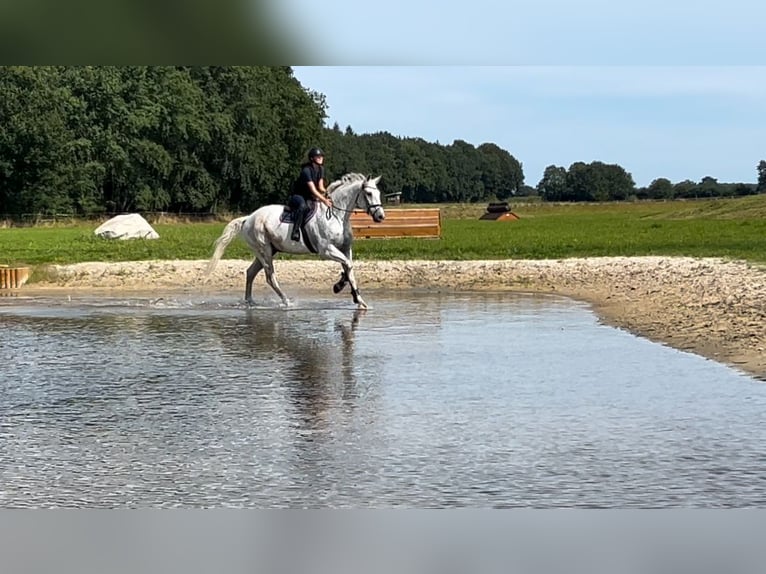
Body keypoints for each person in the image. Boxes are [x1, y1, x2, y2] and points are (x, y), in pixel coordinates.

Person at [288, 147, 333, 241]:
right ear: (312, 158)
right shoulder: (306, 171)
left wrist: (328, 193)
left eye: (321, 156)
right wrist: (324, 200)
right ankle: (295, 231)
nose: (321, 158)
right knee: (303, 207)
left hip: (310, 196)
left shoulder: (321, 169)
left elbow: (320, 187)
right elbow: (313, 189)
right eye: (318, 156)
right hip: (299, 196)